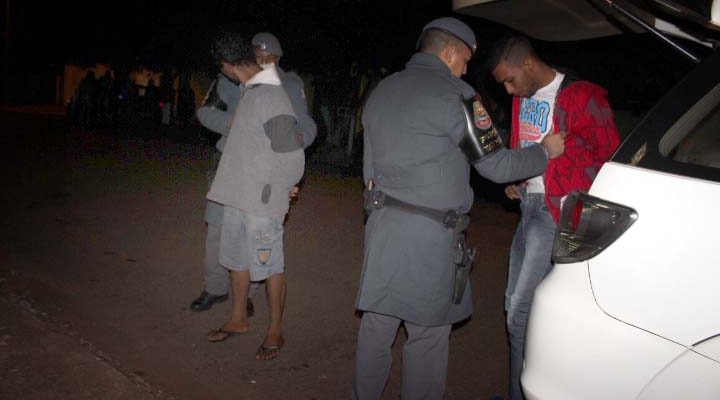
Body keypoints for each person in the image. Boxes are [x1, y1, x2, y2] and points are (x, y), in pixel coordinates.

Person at [353, 17, 565, 400]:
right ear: (451, 53)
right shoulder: (459, 96)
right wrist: (544, 152)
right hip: (431, 237)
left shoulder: (383, 89)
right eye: (465, 60)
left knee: (376, 328)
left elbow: (370, 169)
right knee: (427, 338)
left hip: (382, 228)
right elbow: (497, 166)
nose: (466, 69)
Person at [487, 35, 620, 400]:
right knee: (514, 306)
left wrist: (559, 166)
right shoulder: (522, 101)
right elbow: (523, 147)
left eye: (510, 80)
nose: (509, 90)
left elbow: (609, 157)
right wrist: (518, 180)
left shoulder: (583, 96)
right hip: (528, 207)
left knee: (519, 312)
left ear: (528, 63)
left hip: (555, 212)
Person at [189, 32, 317, 313]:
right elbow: (205, 112)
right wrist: (231, 123)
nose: (264, 63)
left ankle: (245, 293)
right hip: (229, 160)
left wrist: (292, 143)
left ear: (279, 58)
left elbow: (305, 124)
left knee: (256, 234)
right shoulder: (228, 79)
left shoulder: (288, 85)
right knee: (217, 227)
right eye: (258, 57)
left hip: (264, 166)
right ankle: (215, 287)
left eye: (270, 58)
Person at [203, 31, 305, 361]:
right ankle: (238, 319)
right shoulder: (252, 91)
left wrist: (286, 186)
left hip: (262, 201)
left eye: (223, 68)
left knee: (270, 265)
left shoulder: (271, 95)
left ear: (228, 65)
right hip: (238, 194)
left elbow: (292, 152)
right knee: (236, 260)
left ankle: (275, 329)